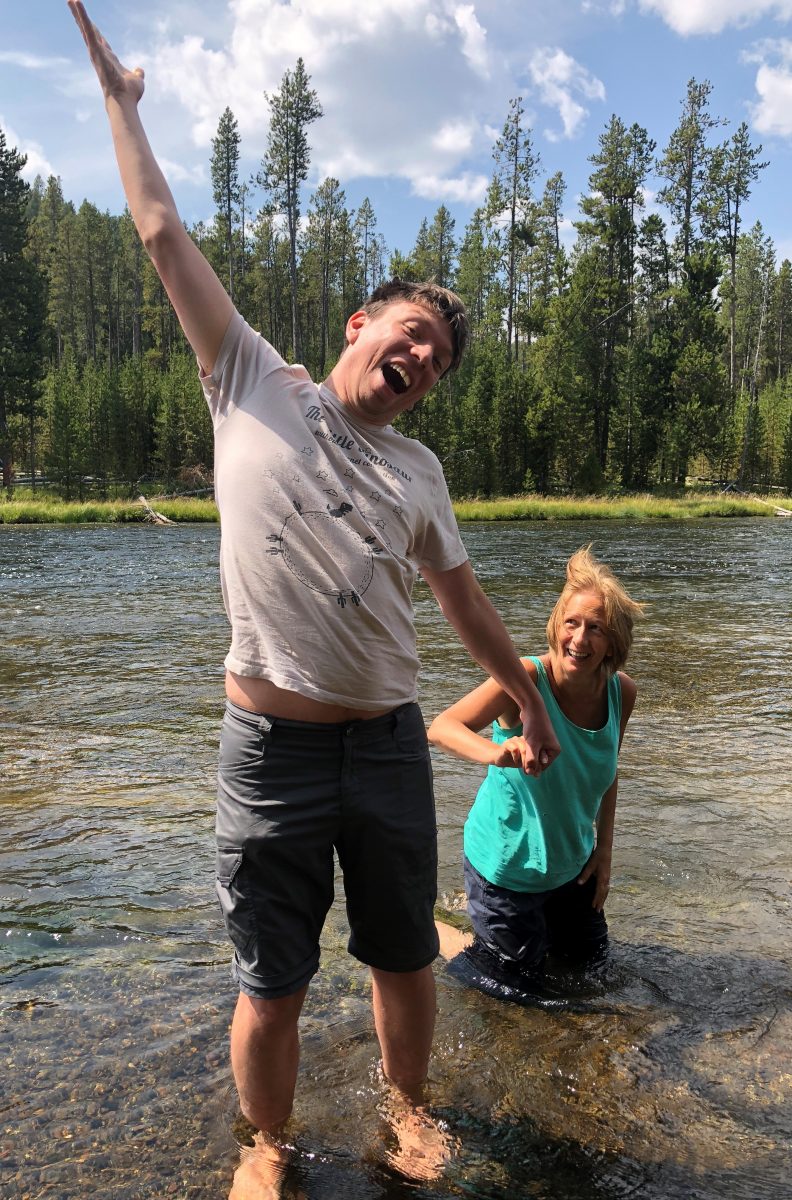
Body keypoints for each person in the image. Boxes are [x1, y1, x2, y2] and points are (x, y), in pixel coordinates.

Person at [67, 1, 560, 1187]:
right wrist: (123, 109)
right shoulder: (250, 379)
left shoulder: (421, 472)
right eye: (412, 335)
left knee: (401, 957)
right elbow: (156, 227)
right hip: (270, 749)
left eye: (437, 362)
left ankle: (406, 1111)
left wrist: (526, 705)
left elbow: (464, 603)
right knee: (271, 977)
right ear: (360, 325)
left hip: (389, 745)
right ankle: (268, 1147)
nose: (422, 362)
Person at [428, 547, 643, 997]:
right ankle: (430, 931)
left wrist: (604, 850)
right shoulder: (526, 677)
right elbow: (442, 727)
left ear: (613, 642)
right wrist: (496, 751)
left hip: (573, 865)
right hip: (507, 867)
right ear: (556, 625)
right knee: (516, 988)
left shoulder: (621, 693)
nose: (579, 640)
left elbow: (608, 772)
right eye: (572, 622)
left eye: (595, 629)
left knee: (591, 971)